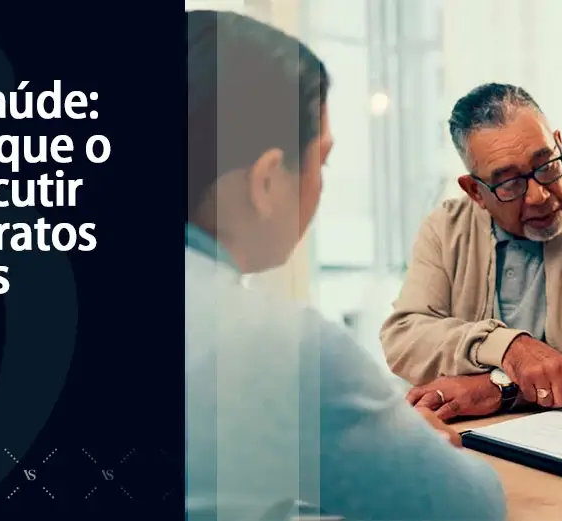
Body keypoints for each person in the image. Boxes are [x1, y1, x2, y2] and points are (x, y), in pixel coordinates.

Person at [184, 11, 506, 521]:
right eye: (323, 161)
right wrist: (407, 440)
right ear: (266, 182)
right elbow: (470, 507)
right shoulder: (279, 345)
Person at [382, 83, 562, 421]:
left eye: (546, 165)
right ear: (475, 192)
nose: (539, 195)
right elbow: (405, 335)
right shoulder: (445, 229)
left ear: (559, 144)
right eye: (509, 183)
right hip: (464, 432)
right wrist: (508, 347)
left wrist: (500, 388)